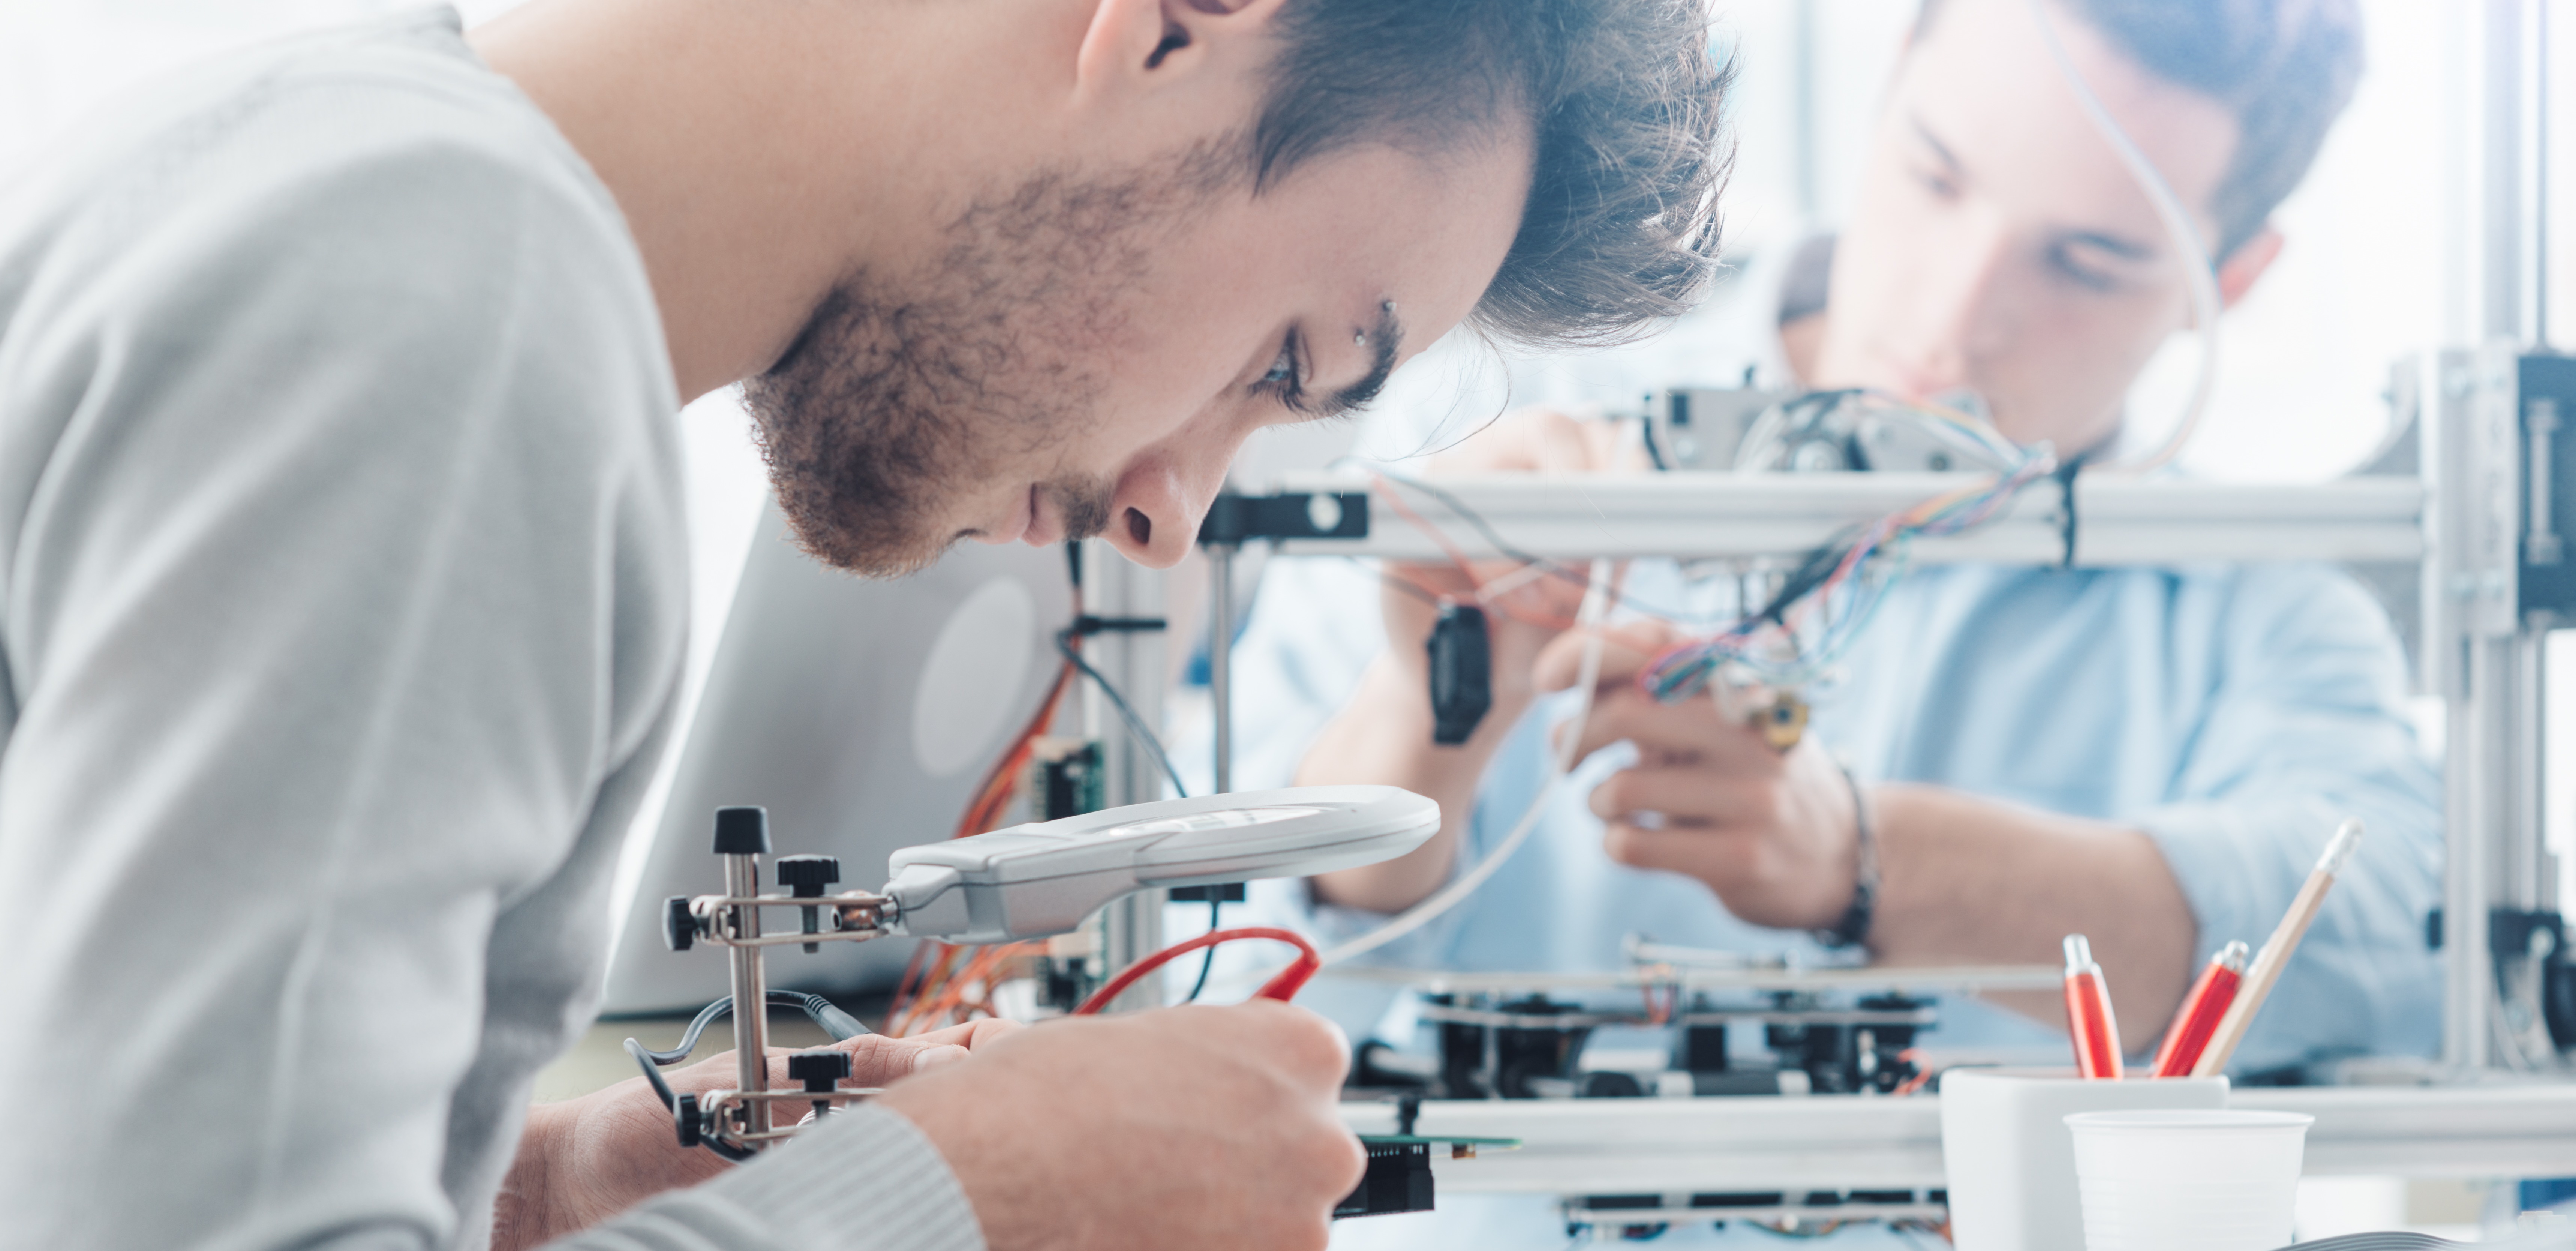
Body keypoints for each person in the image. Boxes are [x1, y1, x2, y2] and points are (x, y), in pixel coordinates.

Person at [0, 0, 1730, 1247]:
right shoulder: (444, 313)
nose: (1168, 514)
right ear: (1171, 28)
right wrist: (955, 1203)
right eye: (1285, 364)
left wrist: (547, 1194)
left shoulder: (357, 170)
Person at [1227, 0, 2432, 1110]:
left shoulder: (2258, 599)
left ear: (2231, 281)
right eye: (1937, 177)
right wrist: (1426, 716)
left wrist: (1862, 859)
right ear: (1889, 84)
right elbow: (1200, 968)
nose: (1954, 318)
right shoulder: (1497, 429)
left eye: (2086, 261)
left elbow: (2394, 944)